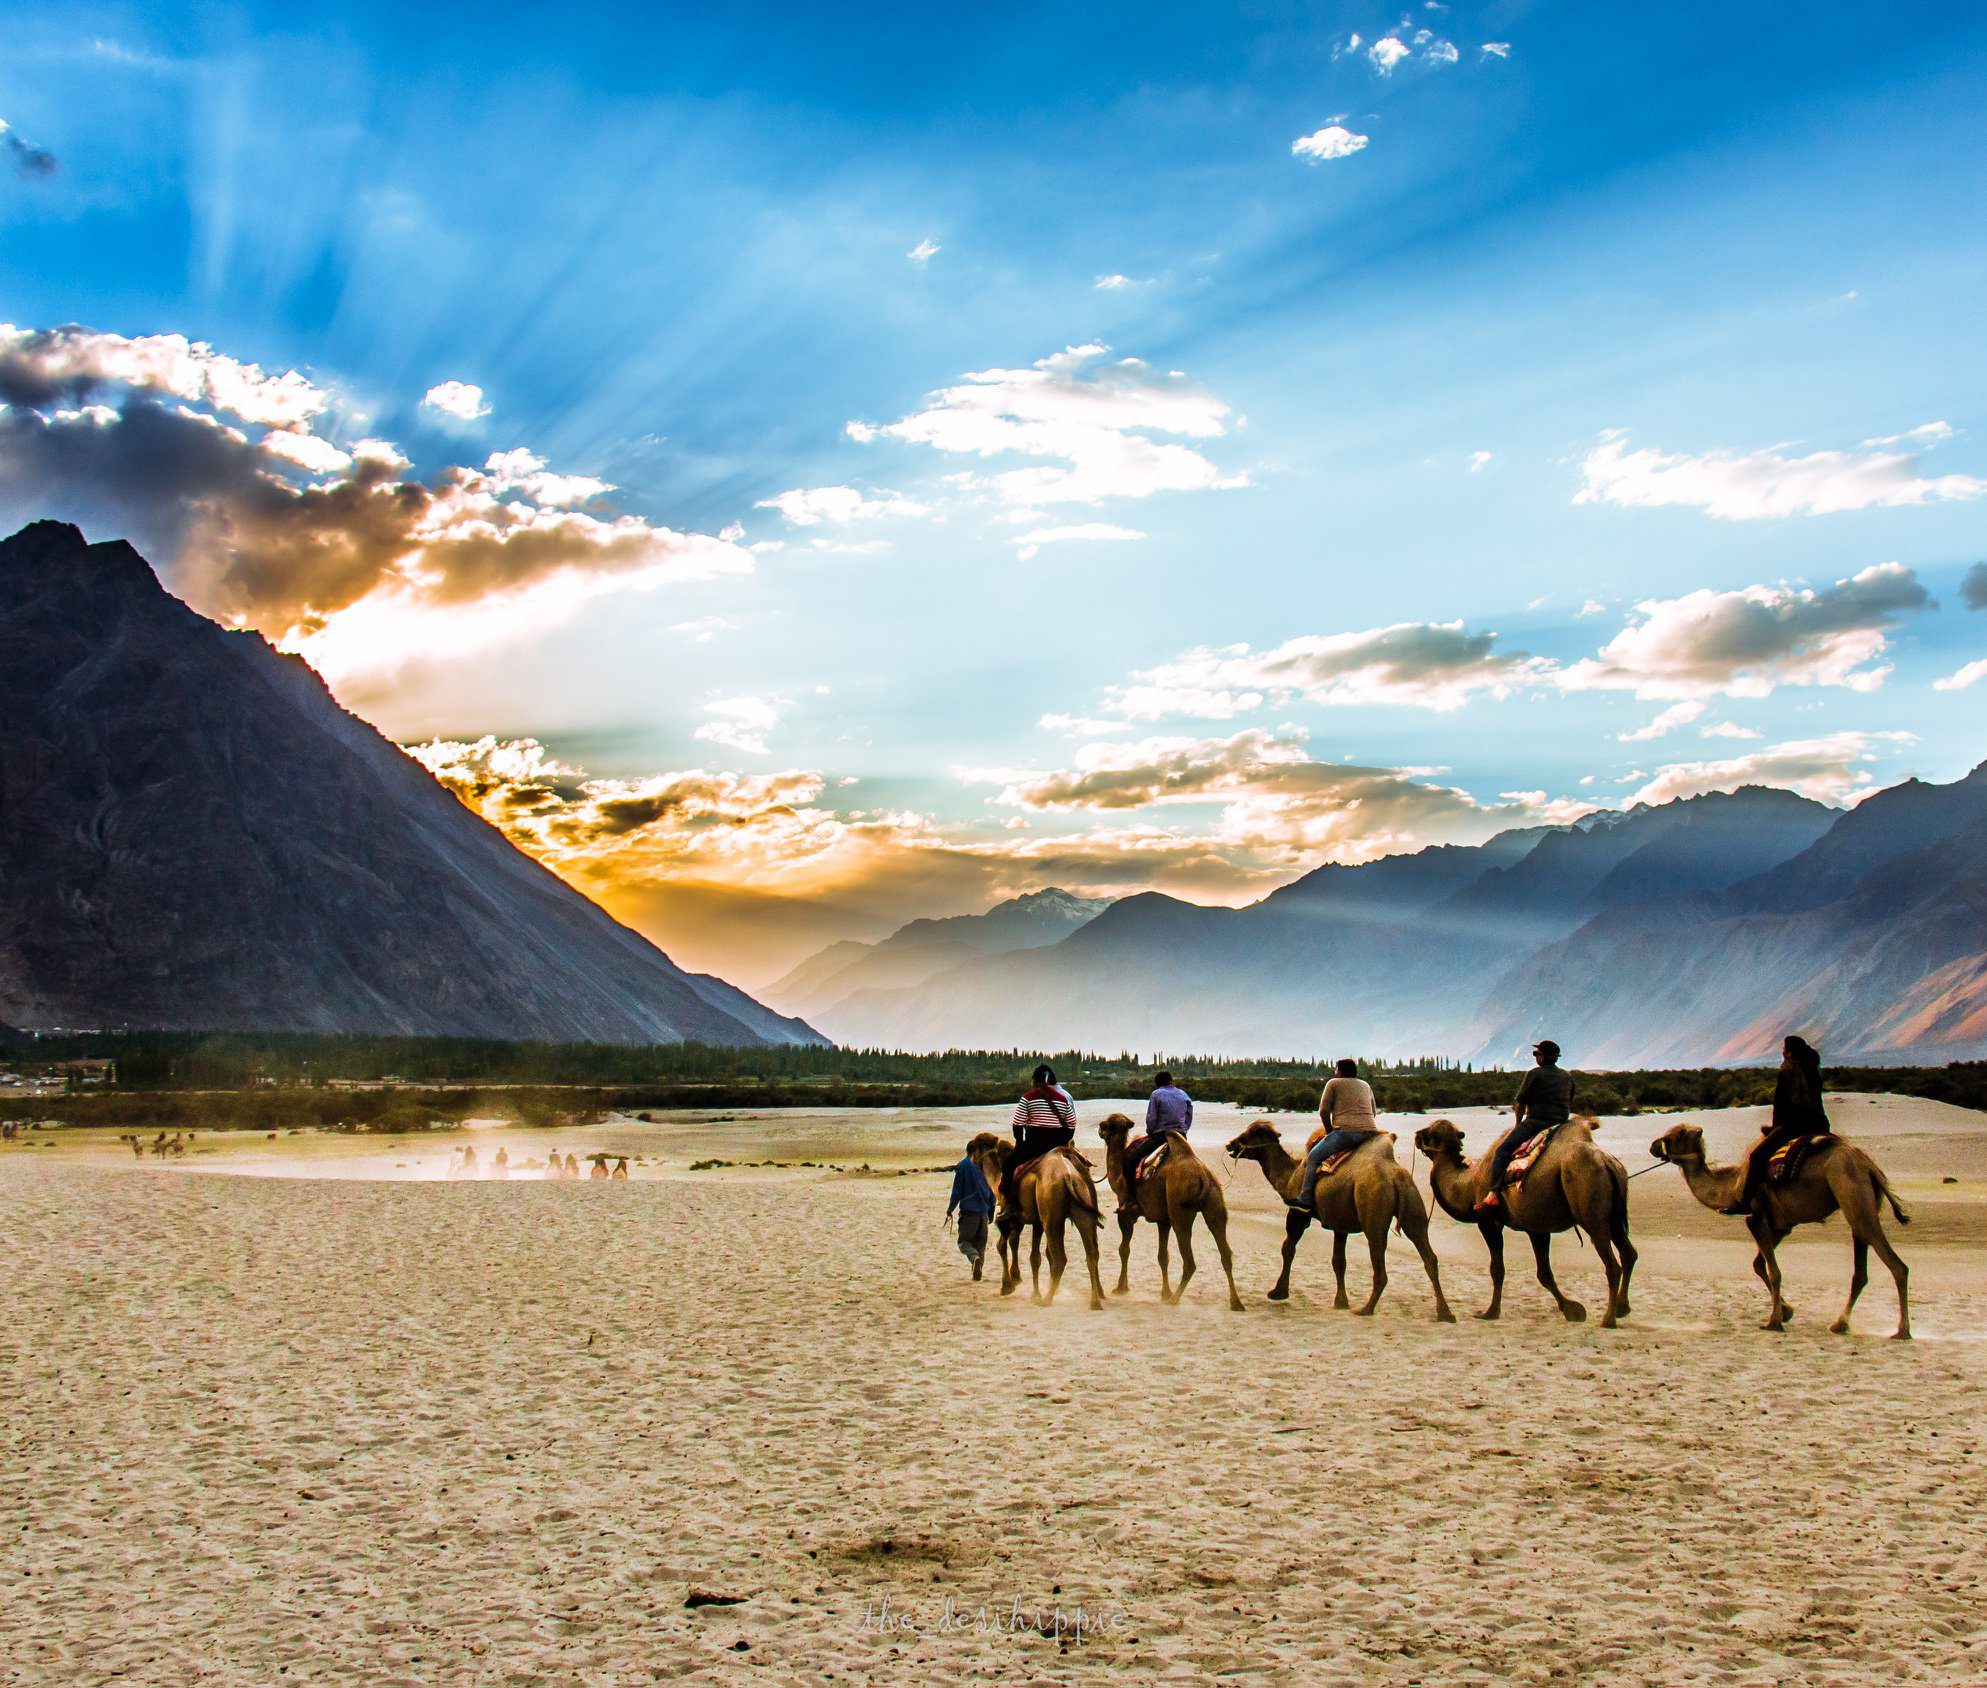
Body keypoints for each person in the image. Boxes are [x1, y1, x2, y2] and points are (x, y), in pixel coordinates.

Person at [1728, 1035, 1830, 1212]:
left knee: (1757, 1156)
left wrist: (1775, 1128)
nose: (1782, 1052)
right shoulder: (1812, 1069)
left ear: (1789, 1053)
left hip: (1796, 1126)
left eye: (1784, 1049)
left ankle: (1745, 1202)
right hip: (1820, 1124)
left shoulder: (1787, 1071)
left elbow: (1780, 1106)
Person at [1480, 1040, 1575, 1212]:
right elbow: (1570, 1100)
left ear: (1542, 1057)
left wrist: (1518, 1124)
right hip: (1562, 1122)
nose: (1536, 1057)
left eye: (1537, 1054)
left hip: (1537, 1121)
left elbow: (1520, 1103)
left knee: (1502, 1151)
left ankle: (1493, 1193)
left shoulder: (1534, 1074)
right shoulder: (1567, 1076)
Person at [1288, 1058, 1382, 1211]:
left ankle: (1305, 1198)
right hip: (1370, 1133)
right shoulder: (1365, 1085)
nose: (1335, 1072)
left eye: (1336, 1069)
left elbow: (1323, 1111)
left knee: (1313, 1156)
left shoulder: (1333, 1083)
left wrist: (1329, 1131)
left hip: (1346, 1134)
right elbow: (1373, 1112)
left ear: (1340, 1072)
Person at [999, 1063, 1077, 1210]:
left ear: (1035, 1081)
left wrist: (1020, 1142)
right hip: (1057, 1146)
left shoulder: (1028, 1098)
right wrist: (1063, 1142)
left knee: (1008, 1165)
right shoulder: (1063, 1099)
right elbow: (1071, 1124)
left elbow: (1017, 1123)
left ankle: (1009, 1204)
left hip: (1034, 1145)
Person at [1119, 1071, 1193, 1208]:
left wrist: (1150, 1131)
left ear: (1157, 1084)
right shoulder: (1184, 1094)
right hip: (1181, 1137)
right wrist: (1183, 1130)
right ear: (1171, 1081)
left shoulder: (1156, 1094)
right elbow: (1189, 1117)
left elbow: (1151, 1119)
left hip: (1161, 1137)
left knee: (1132, 1159)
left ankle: (1131, 1198)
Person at [946, 1145, 998, 1279]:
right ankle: (978, 1267)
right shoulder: (985, 1166)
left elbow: (957, 1190)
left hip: (969, 1213)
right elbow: (992, 1191)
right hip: (984, 1213)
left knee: (964, 1242)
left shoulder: (963, 1165)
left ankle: (974, 1259)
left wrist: (950, 1209)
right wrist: (991, 1211)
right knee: (981, 1245)